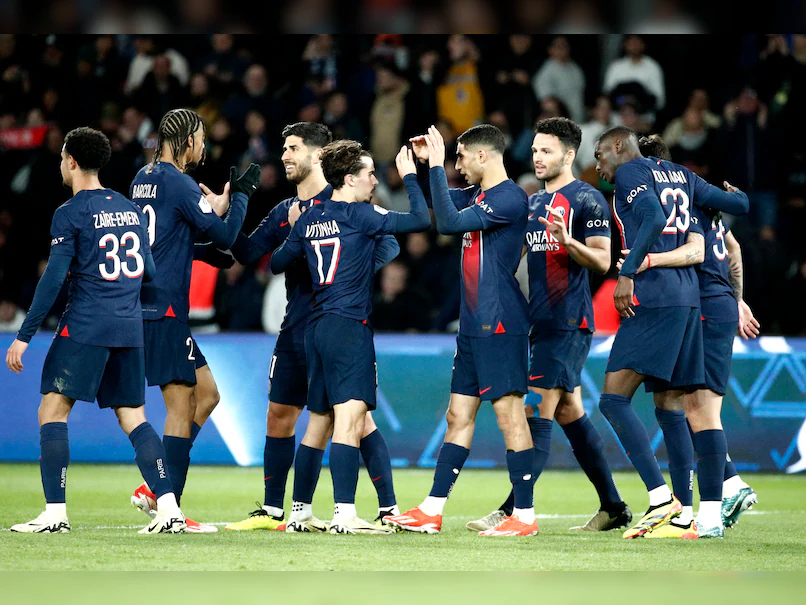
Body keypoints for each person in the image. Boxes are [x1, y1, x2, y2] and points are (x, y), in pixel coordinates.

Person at [224, 123, 401, 533]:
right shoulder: (285, 212)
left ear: (318, 156)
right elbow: (248, 253)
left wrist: (340, 278)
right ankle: (275, 511)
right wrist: (231, 207)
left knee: (353, 421)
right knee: (281, 415)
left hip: (335, 324)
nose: (284, 156)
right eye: (283, 148)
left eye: (293, 148)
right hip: (296, 330)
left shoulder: (344, 199)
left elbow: (388, 244)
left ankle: (388, 509)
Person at [6, 127, 184, 534]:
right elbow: (149, 271)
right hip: (129, 326)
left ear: (70, 160)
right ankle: (169, 508)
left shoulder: (69, 213)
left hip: (86, 323)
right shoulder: (127, 207)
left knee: (52, 410)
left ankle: (55, 515)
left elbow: (52, 280)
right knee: (134, 417)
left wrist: (24, 334)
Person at [467, 117, 631, 533]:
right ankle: (613, 507)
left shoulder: (587, 199)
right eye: (535, 150)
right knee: (570, 412)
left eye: (546, 150)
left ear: (569, 154)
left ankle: (513, 512)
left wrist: (568, 240)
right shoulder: (533, 203)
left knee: (535, 410)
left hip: (568, 322)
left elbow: (602, 260)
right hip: (537, 323)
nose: (537, 157)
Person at [593, 125, 749, 539]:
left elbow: (653, 218)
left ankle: (663, 498)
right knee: (674, 405)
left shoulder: (630, 172)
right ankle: (695, 515)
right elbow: (737, 205)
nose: (598, 164)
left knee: (612, 398)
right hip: (688, 297)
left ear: (621, 147)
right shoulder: (682, 174)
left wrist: (627, 273)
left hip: (655, 295)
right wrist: (741, 196)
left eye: (600, 153)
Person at [270, 140, 430, 534]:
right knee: (350, 420)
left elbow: (276, 263)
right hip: (349, 328)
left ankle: (300, 512)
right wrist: (410, 176)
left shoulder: (309, 218)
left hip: (317, 328)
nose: (375, 180)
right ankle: (345, 514)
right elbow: (420, 220)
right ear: (348, 179)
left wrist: (300, 239)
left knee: (318, 423)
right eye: (370, 173)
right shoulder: (363, 215)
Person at [387, 124, 538, 537]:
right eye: (451, 159)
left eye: (460, 157)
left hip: (501, 322)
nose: (456, 166)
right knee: (458, 415)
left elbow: (450, 225)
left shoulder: (509, 197)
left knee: (509, 416)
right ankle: (432, 509)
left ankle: (524, 517)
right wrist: (413, 173)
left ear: (483, 156)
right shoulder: (478, 196)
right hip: (473, 324)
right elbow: (435, 210)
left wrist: (435, 165)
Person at [128, 108, 258, 533]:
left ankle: (156, 488)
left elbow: (167, 235)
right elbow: (223, 238)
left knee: (208, 395)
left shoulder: (141, 179)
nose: (203, 147)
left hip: (146, 304)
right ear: (186, 142)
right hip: (164, 307)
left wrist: (206, 220)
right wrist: (237, 199)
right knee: (181, 403)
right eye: (200, 139)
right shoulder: (180, 182)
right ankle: (171, 508)